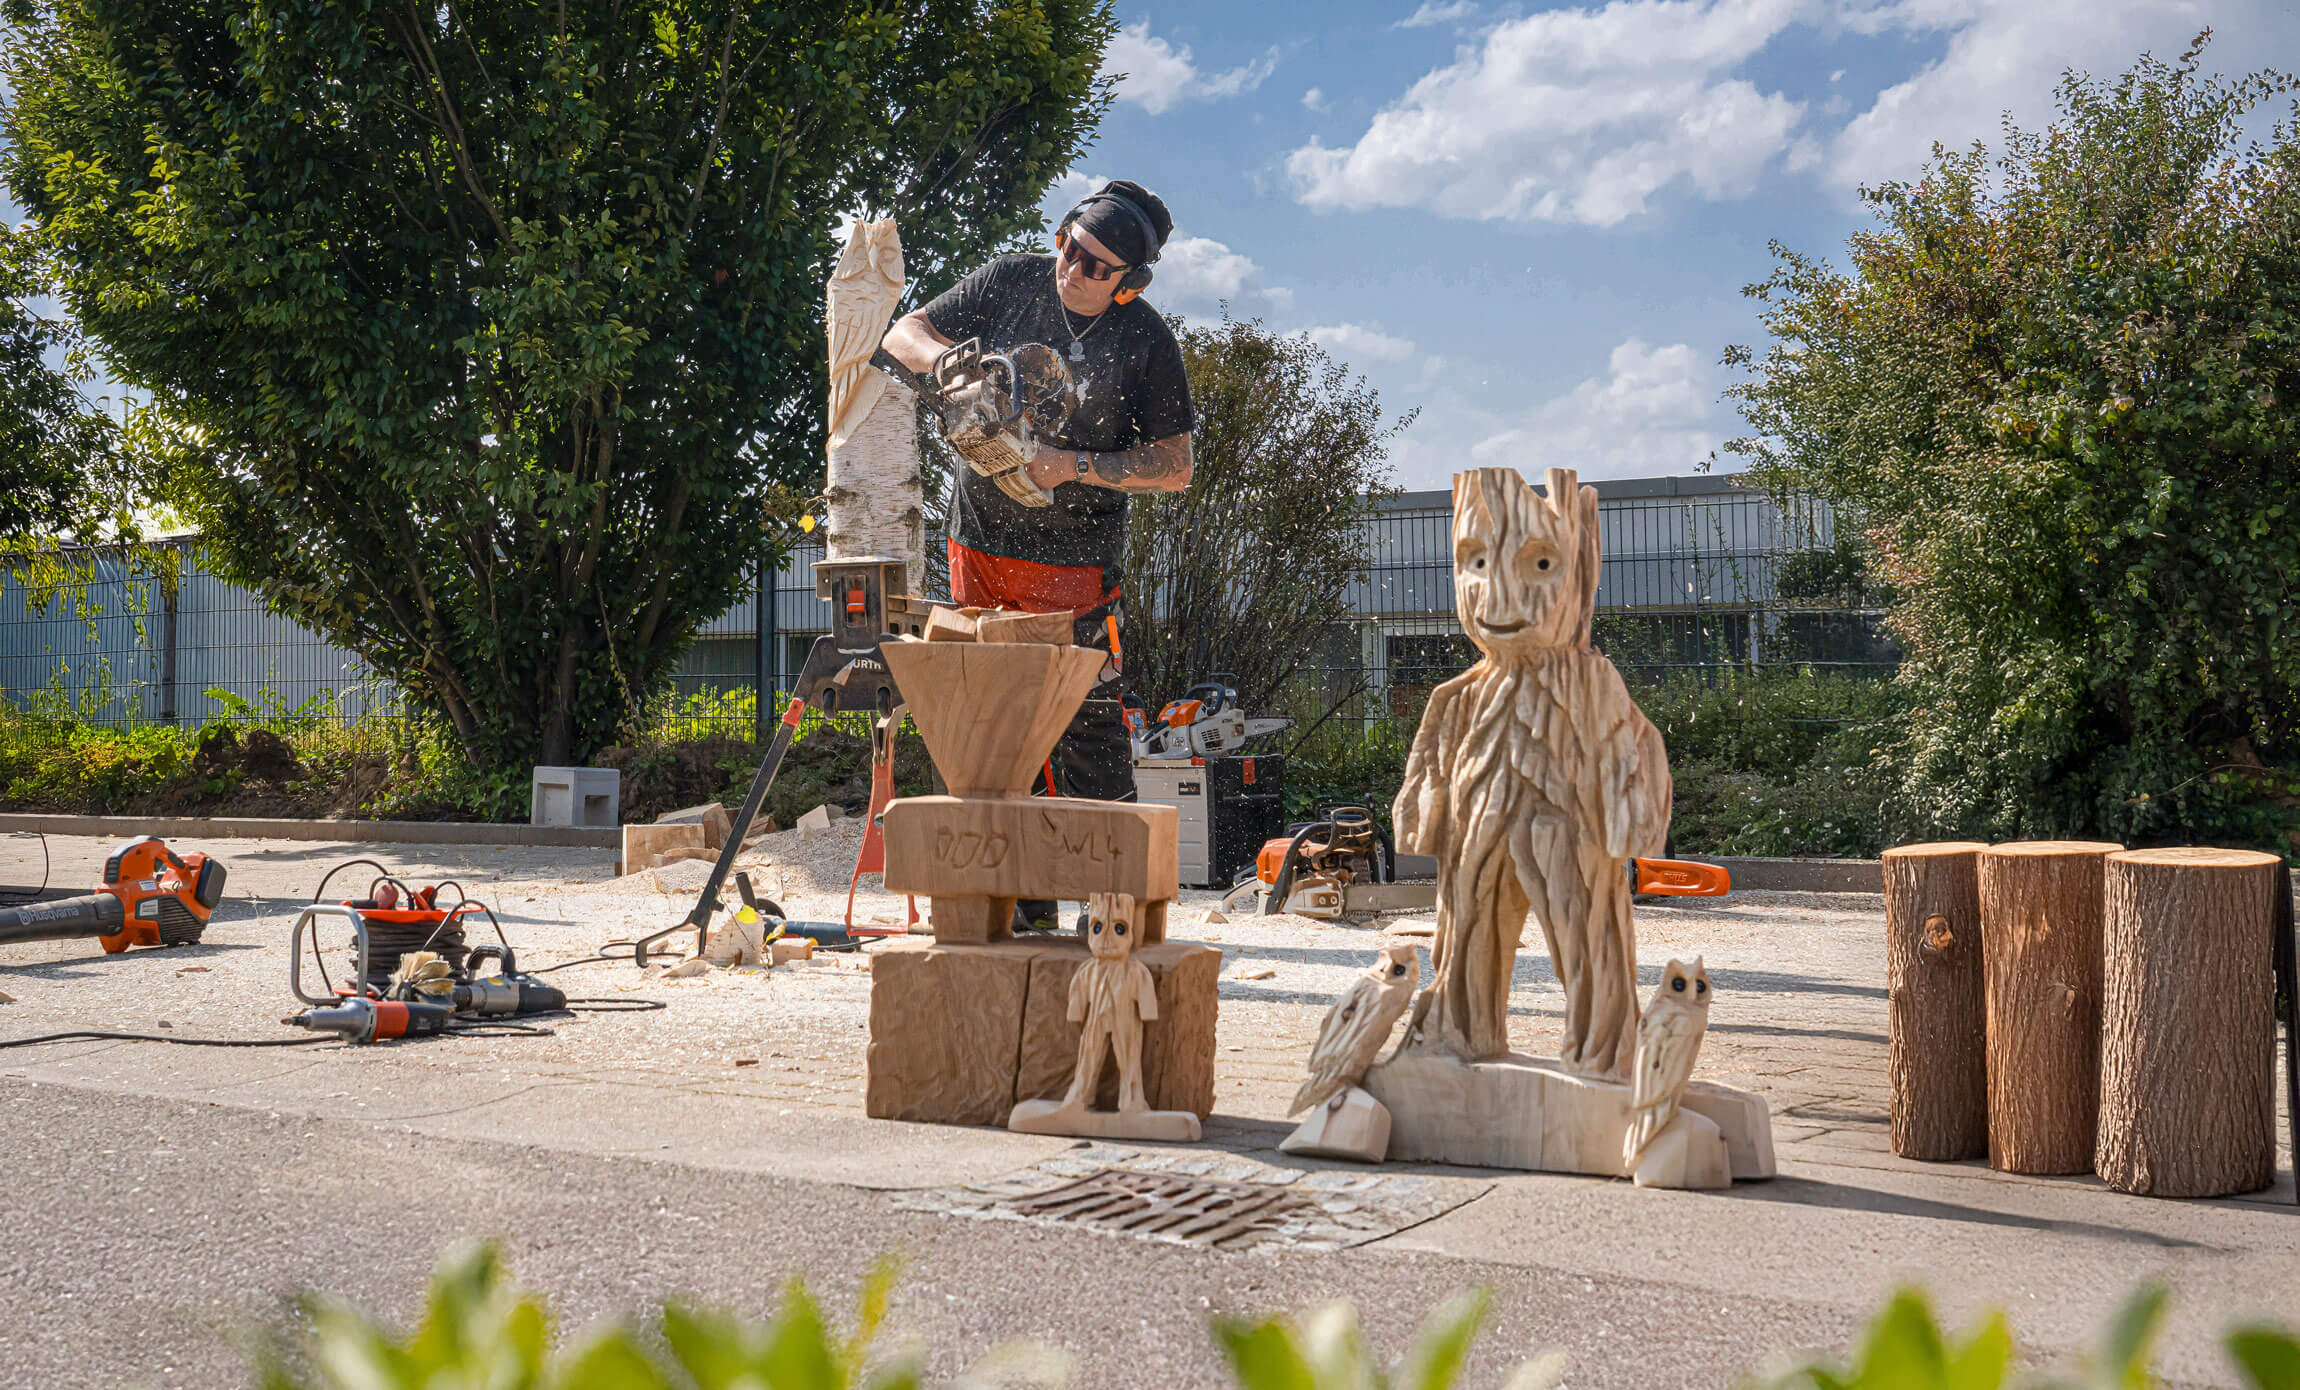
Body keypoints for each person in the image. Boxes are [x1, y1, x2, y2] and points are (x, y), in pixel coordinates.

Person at [878, 179, 1195, 932]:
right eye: (1070, 247)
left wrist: (1072, 465)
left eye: (1096, 267)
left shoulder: (1145, 340)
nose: (1073, 269)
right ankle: (1016, 906)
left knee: (1083, 726)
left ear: (1129, 283)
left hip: (1075, 564)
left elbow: (1176, 465)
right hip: (978, 545)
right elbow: (900, 334)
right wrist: (948, 365)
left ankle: (1115, 899)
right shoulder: (1012, 278)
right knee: (991, 723)